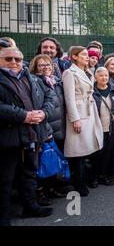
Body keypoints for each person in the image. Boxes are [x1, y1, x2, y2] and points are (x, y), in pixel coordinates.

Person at [0, 47, 54, 226]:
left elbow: (49, 98)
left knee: (29, 174)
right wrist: (23, 116)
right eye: (8, 59)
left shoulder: (31, 78)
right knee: (5, 180)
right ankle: (3, 217)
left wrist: (44, 113)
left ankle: (30, 206)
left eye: (17, 58)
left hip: (32, 136)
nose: (13, 62)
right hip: (8, 138)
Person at [62, 46, 103, 196]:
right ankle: (79, 183)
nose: (87, 57)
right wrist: (75, 119)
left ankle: (88, 179)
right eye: (84, 55)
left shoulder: (88, 72)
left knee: (89, 147)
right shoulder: (69, 73)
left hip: (90, 111)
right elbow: (69, 98)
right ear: (74, 57)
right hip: (79, 113)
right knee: (78, 150)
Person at [29, 54, 67, 202]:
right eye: (41, 65)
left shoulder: (56, 82)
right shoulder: (35, 82)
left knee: (52, 160)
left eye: (48, 65)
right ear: (35, 67)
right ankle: (40, 193)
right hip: (45, 128)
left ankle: (50, 189)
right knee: (41, 162)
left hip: (58, 127)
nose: (46, 67)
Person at [93, 67, 114, 186]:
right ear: (96, 77)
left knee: (109, 153)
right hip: (97, 128)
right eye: (101, 76)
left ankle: (105, 176)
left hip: (111, 128)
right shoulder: (92, 92)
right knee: (96, 154)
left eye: (106, 75)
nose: (104, 78)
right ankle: (95, 177)